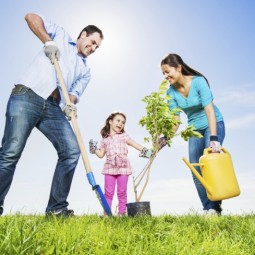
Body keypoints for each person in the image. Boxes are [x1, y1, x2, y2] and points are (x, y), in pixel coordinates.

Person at [0, 13, 104, 217]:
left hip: (53, 108)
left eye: (96, 48)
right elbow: (31, 17)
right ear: (83, 34)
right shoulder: (61, 36)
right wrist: (48, 41)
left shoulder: (85, 70)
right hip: (27, 95)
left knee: (72, 151)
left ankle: (57, 209)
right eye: (92, 42)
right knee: (11, 152)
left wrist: (70, 105)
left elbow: (72, 95)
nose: (92, 49)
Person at [159, 53, 225, 215]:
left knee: (209, 164)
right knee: (195, 168)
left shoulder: (198, 82)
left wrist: (214, 139)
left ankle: (214, 206)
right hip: (194, 129)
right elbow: (175, 121)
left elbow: (209, 110)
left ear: (179, 68)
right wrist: (164, 139)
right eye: (163, 73)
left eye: (168, 72)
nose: (166, 76)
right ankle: (210, 208)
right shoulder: (171, 93)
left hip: (213, 124)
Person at [89, 112, 153, 215]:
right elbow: (100, 154)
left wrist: (148, 152)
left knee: (122, 192)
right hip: (110, 168)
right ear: (110, 121)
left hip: (123, 168)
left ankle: (122, 214)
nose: (120, 124)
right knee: (108, 193)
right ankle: (107, 215)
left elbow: (135, 144)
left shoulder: (124, 136)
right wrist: (94, 148)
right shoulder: (105, 139)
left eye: (123, 122)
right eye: (118, 121)